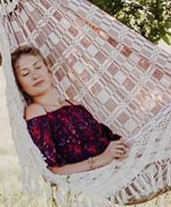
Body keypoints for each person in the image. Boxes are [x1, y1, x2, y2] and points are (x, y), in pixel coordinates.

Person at [11, 45, 130, 175]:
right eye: (25, 73)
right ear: (20, 85)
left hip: (117, 163)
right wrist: (101, 160)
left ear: (48, 70)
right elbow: (52, 170)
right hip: (96, 172)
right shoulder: (36, 111)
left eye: (38, 67)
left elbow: (103, 137)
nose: (35, 75)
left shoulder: (72, 104)